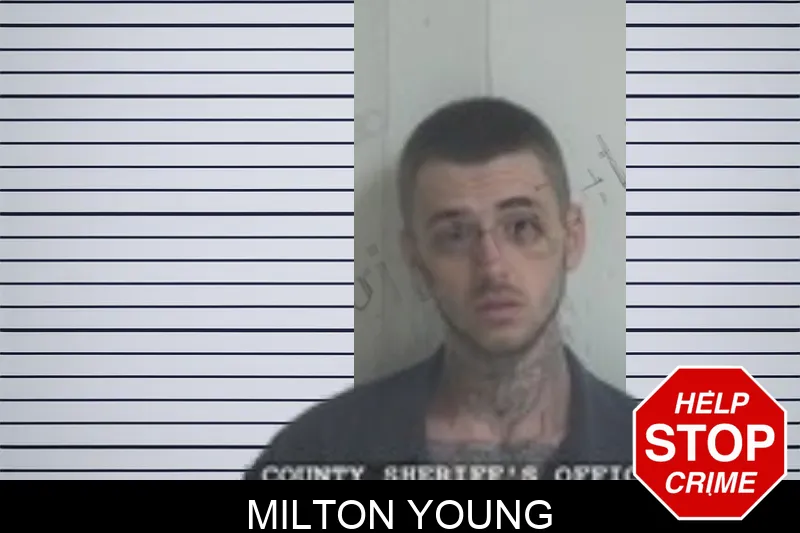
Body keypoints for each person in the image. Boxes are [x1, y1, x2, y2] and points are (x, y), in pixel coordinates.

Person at [244, 97, 637, 480]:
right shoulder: (318, 455)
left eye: (521, 227)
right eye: (455, 235)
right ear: (416, 260)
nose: (492, 268)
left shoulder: (659, 458)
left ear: (572, 238)